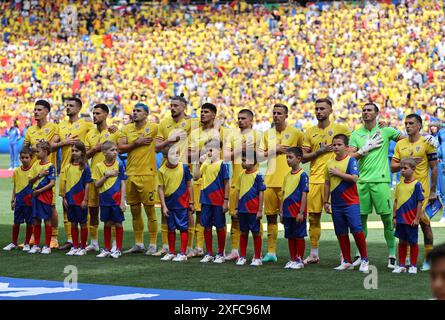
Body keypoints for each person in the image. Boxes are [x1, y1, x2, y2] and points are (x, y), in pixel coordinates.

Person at [349, 102, 404, 269]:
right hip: (362, 182)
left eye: (369, 110)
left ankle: (392, 255)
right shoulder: (356, 134)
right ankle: (360, 255)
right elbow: (350, 157)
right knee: (360, 221)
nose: (366, 113)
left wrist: (392, 127)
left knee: (387, 219)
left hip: (380, 181)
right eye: (364, 110)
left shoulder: (385, 131)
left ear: (377, 113)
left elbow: (405, 139)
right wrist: (363, 150)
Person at [302, 98, 350, 264]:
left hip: (336, 179)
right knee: (313, 218)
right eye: (316, 108)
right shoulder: (309, 132)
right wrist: (320, 151)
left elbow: (352, 148)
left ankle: (344, 254)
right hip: (315, 179)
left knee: (340, 218)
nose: (319, 111)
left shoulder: (341, 129)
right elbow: (303, 157)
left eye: (322, 108)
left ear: (330, 111)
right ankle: (314, 253)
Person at [391, 114, 438, 271]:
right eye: (406, 123)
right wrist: (405, 163)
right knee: (404, 225)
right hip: (404, 191)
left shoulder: (427, 142)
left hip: (421, 191)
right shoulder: (400, 144)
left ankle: (429, 258)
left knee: (424, 223)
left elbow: (434, 167)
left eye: (411, 123)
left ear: (419, 125)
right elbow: (392, 166)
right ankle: (406, 263)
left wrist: (432, 191)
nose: (408, 126)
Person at [259, 103, 303, 263]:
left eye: (279, 113)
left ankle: (297, 254)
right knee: (270, 218)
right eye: (274, 113)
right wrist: (275, 149)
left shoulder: (296, 133)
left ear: (286, 115)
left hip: (290, 183)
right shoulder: (266, 134)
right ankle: (271, 252)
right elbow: (260, 157)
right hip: (270, 182)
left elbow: (303, 153)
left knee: (292, 219)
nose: (276, 116)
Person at [51, 97, 94, 251]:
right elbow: (51, 146)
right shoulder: (60, 126)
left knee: (82, 205)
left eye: (71, 105)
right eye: (66, 105)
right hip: (64, 171)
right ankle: (71, 240)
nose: (67, 108)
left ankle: (84, 242)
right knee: (66, 205)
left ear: (79, 108)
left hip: (80, 171)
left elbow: (101, 130)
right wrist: (64, 142)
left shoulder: (86, 124)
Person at [188, 102, 230, 258]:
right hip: (201, 177)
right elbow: (191, 154)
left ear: (214, 115)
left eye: (206, 112)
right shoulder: (194, 133)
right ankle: (201, 249)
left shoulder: (224, 132)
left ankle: (220, 251)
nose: (202, 114)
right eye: (201, 111)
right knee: (200, 216)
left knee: (217, 221)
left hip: (216, 183)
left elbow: (227, 152)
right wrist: (202, 155)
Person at [155, 94, 195, 257]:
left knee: (188, 211)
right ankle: (166, 246)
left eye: (176, 106)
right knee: (166, 211)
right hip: (166, 170)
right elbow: (157, 147)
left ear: (184, 107)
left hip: (185, 170)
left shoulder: (193, 123)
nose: (172, 108)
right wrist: (169, 140)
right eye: (171, 105)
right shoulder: (164, 123)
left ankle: (190, 248)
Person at [323, 134, 369, 272]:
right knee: (341, 232)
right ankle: (347, 261)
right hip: (336, 204)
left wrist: (338, 173)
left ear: (347, 147)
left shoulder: (351, 161)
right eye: (334, 145)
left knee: (356, 230)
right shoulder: (329, 163)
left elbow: (354, 178)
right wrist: (326, 201)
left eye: (339, 144)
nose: (336, 147)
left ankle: (365, 259)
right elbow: (326, 183)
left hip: (351, 202)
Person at [118, 103, 159, 256]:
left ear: (146, 114)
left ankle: (153, 243)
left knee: (150, 210)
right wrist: (136, 143)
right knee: (135, 210)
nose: (135, 113)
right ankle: (138, 243)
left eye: (138, 111)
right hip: (131, 173)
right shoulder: (127, 129)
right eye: (134, 111)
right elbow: (120, 147)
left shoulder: (154, 128)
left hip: (147, 174)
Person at [226, 109, 263, 262]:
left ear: (251, 120)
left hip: (253, 184)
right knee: (235, 218)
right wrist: (239, 149)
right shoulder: (232, 135)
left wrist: (250, 150)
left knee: (255, 220)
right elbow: (226, 157)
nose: (240, 121)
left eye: (243, 118)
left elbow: (262, 156)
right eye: (238, 118)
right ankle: (235, 251)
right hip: (236, 183)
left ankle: (257, 254)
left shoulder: (258, 136)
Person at [84, 104, 121, 252]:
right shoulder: (90, 134)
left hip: (111, 179)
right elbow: (85, 155)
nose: (95, 116)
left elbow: (122, 147)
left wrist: (118, 129)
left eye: (98, 113)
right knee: (92, 210)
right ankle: (94, 242)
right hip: (95, 176)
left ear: (106, 115)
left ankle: (113, 243)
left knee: (111, 211)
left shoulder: (114, 132)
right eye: (94, 113)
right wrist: (95, 148)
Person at [23, 100, 59, 249]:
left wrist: (37, 147)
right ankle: (33, 236)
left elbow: (51, 145)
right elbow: (25, 149)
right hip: (33, 173)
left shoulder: (54, 127)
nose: (36, 112)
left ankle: (54, 238)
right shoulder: (30, 130)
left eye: (39, 110)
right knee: (33, 205)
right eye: (34, 110)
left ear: (46, 112)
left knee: (51, 207)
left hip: (47, 173)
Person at [193, 139, 230, 264]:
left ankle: (220, 253)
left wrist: (226, 200)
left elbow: (227, 184)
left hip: (218, 201)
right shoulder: (205, 164)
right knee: (206, 227)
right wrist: (199, 162)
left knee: (220, 227)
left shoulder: (223, 164)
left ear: (218, 150)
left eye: (211, 149)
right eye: (207, 149)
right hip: (206, 200)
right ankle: (209, 253)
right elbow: (196, 177)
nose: (208, 152)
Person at [157, 144, 194, 262]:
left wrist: (191, 202)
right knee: (170, 228)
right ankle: (171, 252)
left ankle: (183, 253)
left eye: (177, 153)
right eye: (172, 154)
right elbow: (160, 188)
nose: (175, 156)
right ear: (165, 157)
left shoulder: (184, 167)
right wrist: (163, 206)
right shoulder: (162, 170)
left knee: (183, 228)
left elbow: (189, 185)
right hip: (169, 204)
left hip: (182, 204)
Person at [93, 140, 127, 259]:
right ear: (104, 152)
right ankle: (107, 249)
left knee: (118, 223)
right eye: (112, 150)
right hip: (104, 200)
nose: (115, 152)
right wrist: (106, 175)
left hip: (117, 200)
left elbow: (123, 182)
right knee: (106, 223)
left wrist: (123, 200)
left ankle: (118, 249)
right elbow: (97, 184)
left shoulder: (120, 164)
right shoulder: (98, 166)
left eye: (116, 150)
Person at [233, 151, 266, 266]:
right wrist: (236, 207)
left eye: (244, 160)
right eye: (241, 160)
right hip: (242, 210)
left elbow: (261, 193)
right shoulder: (241, 175)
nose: (242, 163)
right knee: (243, 232)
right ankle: (242, 257)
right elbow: (238, 191)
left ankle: (257, 257)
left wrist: (260, 210)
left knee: (256, 233)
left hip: (253, 210)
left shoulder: (259, 175)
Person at [392, 157, 424, 274]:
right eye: (401, 168)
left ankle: (413, 265)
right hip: (400, 219)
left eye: (405, 168)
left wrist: (417, 218)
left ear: (413, 169)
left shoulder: (417, 185)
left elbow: (420, 202)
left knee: (413, 242)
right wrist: (394, 217)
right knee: (401, 242)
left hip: (411, 220)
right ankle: (401, 265)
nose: (402, 170)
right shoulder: (399, 185)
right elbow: (395, 201)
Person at [60, 141, 92, 256]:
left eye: (76, 151)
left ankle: (83, 247)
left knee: (83, 223)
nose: (74, 153)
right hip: (70, 200)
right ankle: (75, 246)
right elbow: (66, 183)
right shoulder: (68, 167)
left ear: (82, 152)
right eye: (72, 150)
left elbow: (88, 184)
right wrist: (64, 198)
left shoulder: (85, 168)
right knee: (73, 223)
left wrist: (85, 199)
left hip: (80, 200)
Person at [280, 147, 308, 270]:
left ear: (299, 159)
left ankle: (299, 259)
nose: (288, 160)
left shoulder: (303, 175)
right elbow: (283, 194)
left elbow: (304, 194)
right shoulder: (286, 176)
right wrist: (281, 211)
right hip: (287, 212)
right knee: (290, 236)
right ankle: (292, 259)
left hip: (297, 212)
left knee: (299, 236)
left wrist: (301, 212)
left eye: (290, 157)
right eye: (287, 157)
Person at [3, 147, 34, 251]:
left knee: (30, 222)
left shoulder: (34, 171)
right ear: (19, 158)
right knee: (16, 222)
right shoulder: (16, 171)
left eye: (27, 157)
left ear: (31, 158)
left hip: (29, 201)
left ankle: (26, 243)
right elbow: (15, 187)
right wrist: (13, 200)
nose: (24, 159)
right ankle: (14, 242)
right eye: (22, 157)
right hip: (19, 201)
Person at [28, 141, 56, 254]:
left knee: (47, 220)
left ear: (45, 152)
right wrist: (39, 175)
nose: (36, 154)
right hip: (35, 196)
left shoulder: (51, 166)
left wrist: (39, 190)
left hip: (45, 196)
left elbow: (52, 183)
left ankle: (47, 246)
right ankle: (36, 245)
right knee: (36, 220)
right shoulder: (35, 165)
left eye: (37, 151)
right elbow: (30, 181)